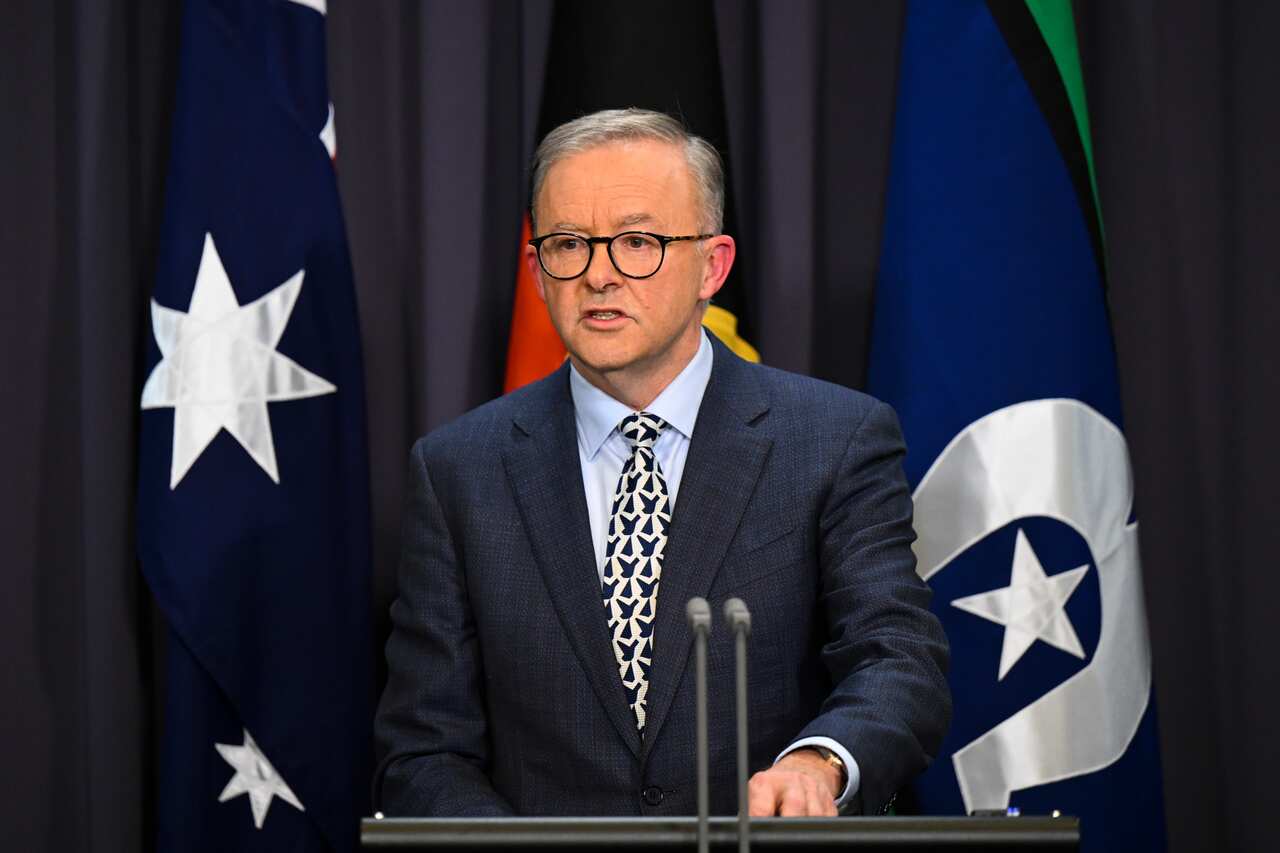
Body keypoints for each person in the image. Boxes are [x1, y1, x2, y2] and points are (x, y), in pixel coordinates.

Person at [373, 108, 949, 817]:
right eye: (567, 244)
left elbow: (899, 659)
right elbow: (425, 750)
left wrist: (819, 760)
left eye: (638, 242)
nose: (599, 276)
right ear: (536, 270)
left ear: (714, 265)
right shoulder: (458, 471)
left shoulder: (835, 439)